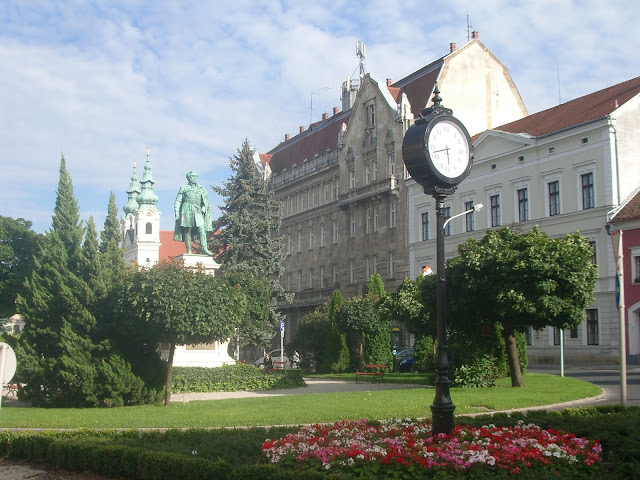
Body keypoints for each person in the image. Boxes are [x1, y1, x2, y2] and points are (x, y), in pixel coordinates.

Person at [174, 171, 214, 255]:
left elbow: (205, 202)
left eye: (195, 177)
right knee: (187, 230)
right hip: (187, 209)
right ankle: (189, 250)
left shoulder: (201, 189)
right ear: (188, 178)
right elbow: (178, 201)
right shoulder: (184, 188)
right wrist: (177, 213)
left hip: (197, 210)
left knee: (202, 229)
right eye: (192, 177)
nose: (194, 178)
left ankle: (204, 248)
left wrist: (203, 207)